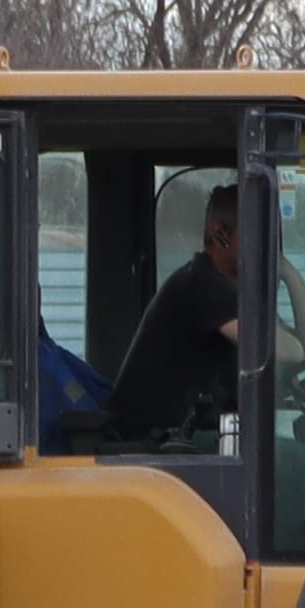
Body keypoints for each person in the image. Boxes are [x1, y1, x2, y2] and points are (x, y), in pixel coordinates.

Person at [102, 180, 242, 445]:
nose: (265, 244)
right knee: (293, 458)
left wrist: (286, 272)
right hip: (155, 441)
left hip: (183, 435)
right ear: (219, 233)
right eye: (257, 234)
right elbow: (279, 349)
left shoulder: (234, 293)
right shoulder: (201, 282)